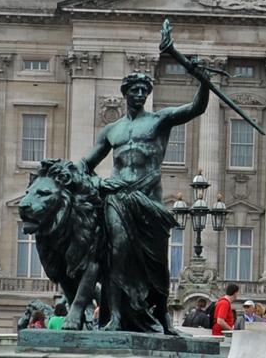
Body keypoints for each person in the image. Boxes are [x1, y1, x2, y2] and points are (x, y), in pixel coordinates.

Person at [80, 39, 211, 334]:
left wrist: (203, 82)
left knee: (157, 262)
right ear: (125, 93)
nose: (139, 94)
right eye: (135, 90)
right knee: (117, 252)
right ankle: (115, 317)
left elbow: (196, 108)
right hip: (117, 196)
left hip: (148, 198)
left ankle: (162, 316)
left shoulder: (159, 120)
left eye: (144, 90)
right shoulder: (112, 130)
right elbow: (87, 164)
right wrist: (91, 180)